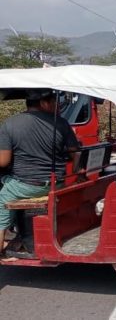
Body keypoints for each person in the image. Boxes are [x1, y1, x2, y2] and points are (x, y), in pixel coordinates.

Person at [0, 90, 80, 258]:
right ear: (44, 103)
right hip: (56, 184)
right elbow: (76, 153)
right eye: (54, 103)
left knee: (4, 196)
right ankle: (19, 235)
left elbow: (3, 162)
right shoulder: (62, 123)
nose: (57, 107)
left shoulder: (10, 124)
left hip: (25, 187)